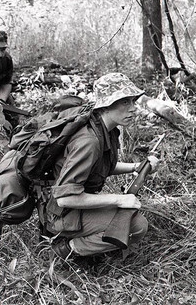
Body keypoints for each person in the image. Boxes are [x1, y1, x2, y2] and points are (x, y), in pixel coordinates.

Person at [40, 73, 160, 260]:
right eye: (125, 103)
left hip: (68, 208)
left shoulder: (105, 129)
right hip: (60, 213)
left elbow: (99, 167)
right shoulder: (89, 141)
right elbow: (65, 198)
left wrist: (136, 167)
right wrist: (118, 200)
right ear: (106, 104)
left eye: (133, 102)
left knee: (129, 217)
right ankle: (63, 250)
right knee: (137, 225)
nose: (133, 109)